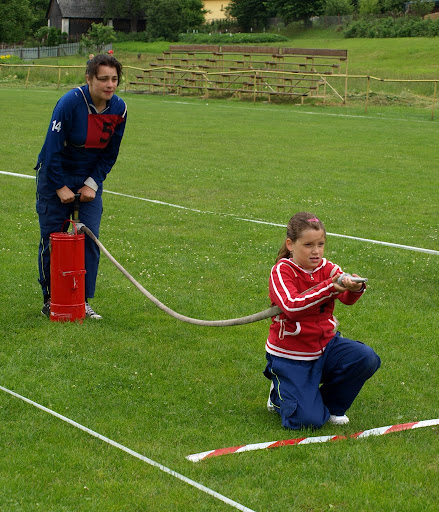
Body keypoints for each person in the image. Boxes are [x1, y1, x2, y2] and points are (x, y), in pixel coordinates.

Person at [264, 212, 381, 430]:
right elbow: (292, 307)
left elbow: (346, 299)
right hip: (291, 356)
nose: (316, 251)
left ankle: (332, 405)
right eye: (308, 245)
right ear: (290, 244)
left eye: (320, 244)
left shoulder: (328, 268)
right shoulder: (281, 270)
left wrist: (355, 288)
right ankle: (278, 395)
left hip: (325, 348)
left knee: (366, 357)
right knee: (306, 421)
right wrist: (328, 287)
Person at [35, 54, 127, 319]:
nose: (110, 85)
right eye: (103, 79)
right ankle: (51, 299)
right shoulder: (69, 103)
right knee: (52, 240)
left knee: (89, 239)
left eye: (114, 79)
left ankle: (81, 300)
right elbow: (51, 150)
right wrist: (59, 186)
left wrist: (92, 183)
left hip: (88, 180)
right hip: (56, 176)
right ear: (89, 79)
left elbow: (110, 153)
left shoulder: (119, 109)